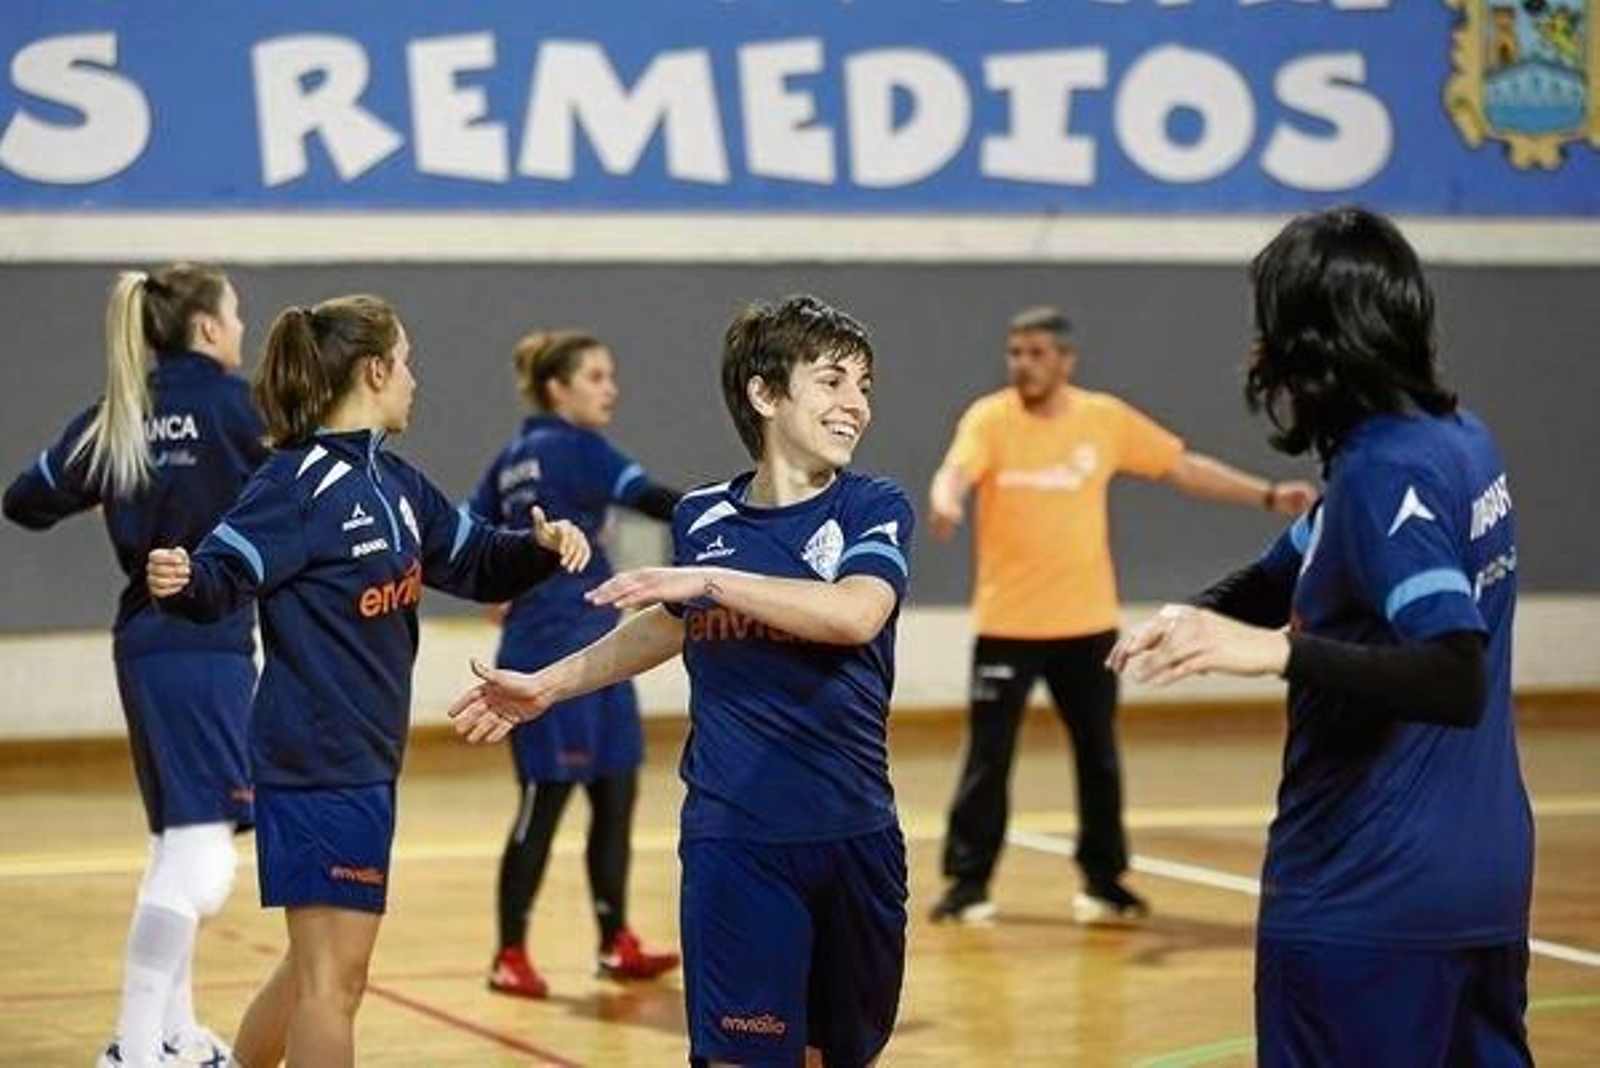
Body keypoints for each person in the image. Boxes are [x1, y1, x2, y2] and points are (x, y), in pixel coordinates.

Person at [1108, 207, 1532, 1066]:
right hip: (1481, 880)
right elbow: (1287, 568)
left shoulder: (1383, 472)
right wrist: (1197, 614)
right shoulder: (1455, 438)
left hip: (1365, 891)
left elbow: (1455, 674)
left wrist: (1278, 653)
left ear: (1308, 342)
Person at [450, 294, 914, 1068]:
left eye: (864, 386)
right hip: (733, 840)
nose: (856, 404)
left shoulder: (874, 505)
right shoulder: (703, 516)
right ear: (765, 394)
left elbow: (855, 614)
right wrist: (548, 686)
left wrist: (710, 580)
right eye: (833, 381)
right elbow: (670, 624)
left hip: (855, 835)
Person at [144, 294, 590, 1068]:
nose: (415, 379)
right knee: (334, 987)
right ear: (375, 371)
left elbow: (477, 560)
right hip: (315, 763)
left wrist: (541, 547)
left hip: (364, 761)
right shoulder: (296, 484)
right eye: (406, 362)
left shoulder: (398, 483)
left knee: (310, 971)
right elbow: (220, 577)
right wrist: (182, 581)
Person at [926, 305, 1317, 926]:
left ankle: (1104, 883)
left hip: (1085, 626)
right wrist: (946, 500)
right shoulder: (990, 419)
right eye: (1015, 352)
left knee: (1098, 756)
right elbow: (955, 471)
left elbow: (1182, 467)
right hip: (1006, 626)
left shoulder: (1103, 419)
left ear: (1064, 361)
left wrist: (1268, 495)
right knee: (988, 758)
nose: (1022, 364)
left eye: (1035, 353)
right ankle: (968, 884)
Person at [2, 264, 266, 1068]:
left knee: (176, 845)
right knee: (205, 860)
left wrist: (117, 494)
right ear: (209, 328)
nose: (242, 328)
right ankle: (136, 1047)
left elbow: (24, 498)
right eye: (236, 316)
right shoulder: (240, 407)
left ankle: (173, 1035)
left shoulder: (119, 412)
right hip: (206, 645)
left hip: (144, 643)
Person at [473, 328, 683, 998]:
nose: (610, 389)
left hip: (600, 654)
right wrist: (730, 517)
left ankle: (615, 941)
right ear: (557, 388)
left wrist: (498, 586)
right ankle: (509, 953)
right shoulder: (578, 447)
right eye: (596, 377)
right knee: (549, 800)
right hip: (549, 656)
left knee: (614, 793)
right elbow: (652, 498)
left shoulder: (509, 459)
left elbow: (472, 539)